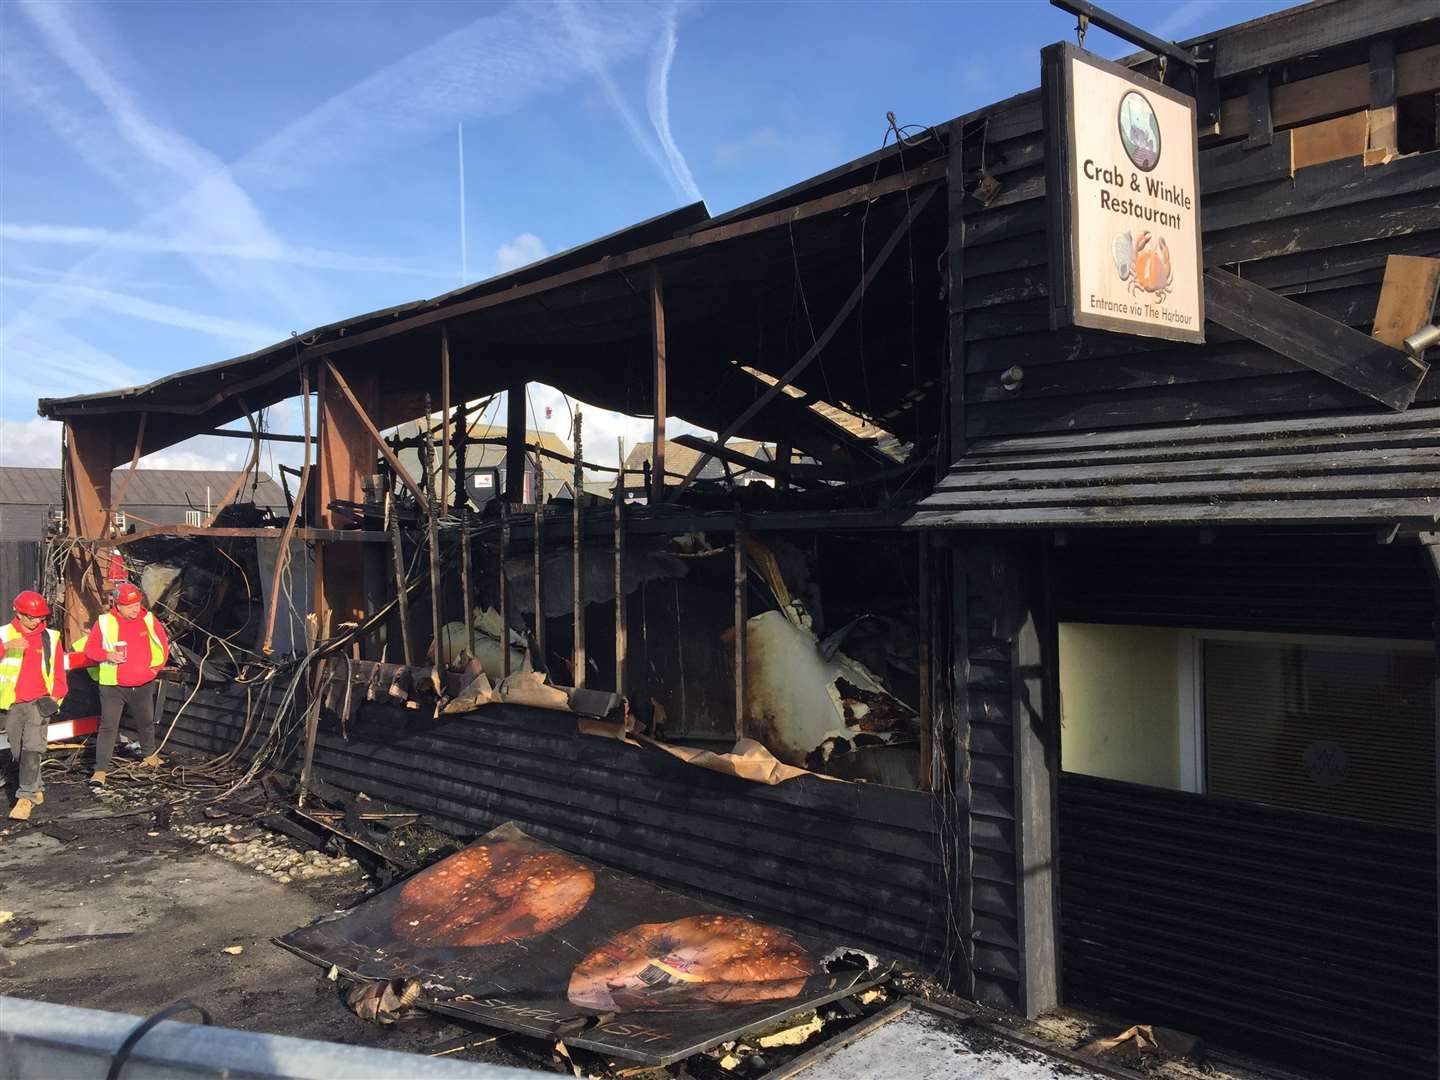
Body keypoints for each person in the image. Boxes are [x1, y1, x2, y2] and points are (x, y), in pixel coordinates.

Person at [84, 583, 169, 785]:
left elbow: (163, 644)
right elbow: (90, 650)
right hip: (113, 686)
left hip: (143, 683)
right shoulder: (104, 622)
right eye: (130, 605)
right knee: (108, 726)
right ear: (118, 606)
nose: (135, 609)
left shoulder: (148, 619)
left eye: (138, 604)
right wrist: (107, 655)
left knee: (146, 720)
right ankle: (101, 770)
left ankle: (149, 755)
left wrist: (154, 669)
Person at [1, 591, 68, 821]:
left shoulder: (51, 638)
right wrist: (6, 647)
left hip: (39, 703)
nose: (36, 622)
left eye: (40, 617)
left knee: (32, 748)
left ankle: (25, 797)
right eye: (31, 617)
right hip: (11, 704)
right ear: (17, 613)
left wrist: (54, 700)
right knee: (18, 750)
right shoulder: (4, 635)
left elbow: (58, 672)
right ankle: (36, 787)